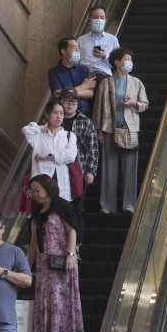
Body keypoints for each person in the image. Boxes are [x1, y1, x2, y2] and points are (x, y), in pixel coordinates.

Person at [26, 174, 85, 332]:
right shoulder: (37, 214)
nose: (35, 194)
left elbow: (72, 231)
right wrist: (26, 266)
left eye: (38, 190)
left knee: (62, 301)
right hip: (44, 264)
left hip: (62, 260)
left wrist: (70, 254)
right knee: (45, 302)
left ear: (48, 188)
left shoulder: (62, 206)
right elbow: (34, 244)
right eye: (32, 191)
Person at [93, 48, 149, 215]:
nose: (129, 62)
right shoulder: (105, 83)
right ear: (117, 62)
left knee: (130, 167)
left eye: (130, 59)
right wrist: (99, 131)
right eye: (126, 59)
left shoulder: (136, 82)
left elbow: (144, 104)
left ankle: (129, 205)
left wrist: (133, 103)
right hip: (109, 127)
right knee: (109, 167)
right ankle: (108, 205)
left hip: (130, 128)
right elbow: (98, 108)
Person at [22, 98, 79, 201]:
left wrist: (47, 156)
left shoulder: (69, 136)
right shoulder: (38, 135)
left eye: (62, 113)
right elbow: (26, 130)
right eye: (55, 113)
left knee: (59, 213)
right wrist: (42, 127)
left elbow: (70, 156)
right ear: (47, 114)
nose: (59, 116)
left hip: (62, 183)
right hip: (40, 182)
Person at [59, 87, 98, 227]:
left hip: (78, 171)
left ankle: (76, 244)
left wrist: (90, 171)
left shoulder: (84, 121)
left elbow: (92, 148)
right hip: (57, 171)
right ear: (60, 101)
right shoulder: (53, 119)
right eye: (67, 100)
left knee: (77, 208)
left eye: (74, 101)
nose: (70, 104)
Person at [47, 37, 96, 112]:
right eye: (74, 48)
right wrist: (84, 86)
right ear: (64, 52)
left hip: (83, 113)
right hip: (64, 113)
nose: (78, 50)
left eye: (78, 48)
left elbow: (90, 93)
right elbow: (57, 93)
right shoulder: (53, 72)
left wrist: (65, 93)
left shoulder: (84, 69)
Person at [77, 6, 120, 78]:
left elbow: (118, 62)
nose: (99, 20)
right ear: (89, 20)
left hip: (104, 75)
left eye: (102, 18)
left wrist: (105, 57)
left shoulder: (112, 39)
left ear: (105, 20)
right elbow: (76, 62)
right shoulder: (81, 40)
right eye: (96, 17)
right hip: (84, 76)